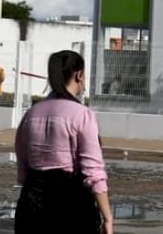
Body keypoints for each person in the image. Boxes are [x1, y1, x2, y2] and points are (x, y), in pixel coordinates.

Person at [14, 50, 113, 234]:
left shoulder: (31, 114)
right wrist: (107, 217)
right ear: (79, 75)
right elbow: (93, 171)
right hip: (70, 204)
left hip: (31, 203)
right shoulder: (82, 115)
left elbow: (23, 166)